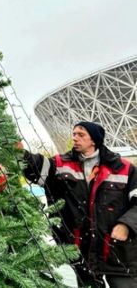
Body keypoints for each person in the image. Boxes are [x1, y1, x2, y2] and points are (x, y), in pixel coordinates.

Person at [22, 121, 137, 287]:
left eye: (81, 135)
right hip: (81, 250)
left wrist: (126, 225)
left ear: (94, 140)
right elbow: (36, 166)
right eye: (74, 134)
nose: (75, 138)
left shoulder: (124, 168)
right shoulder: (61, 164)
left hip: (118, 251)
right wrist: (19, 153)